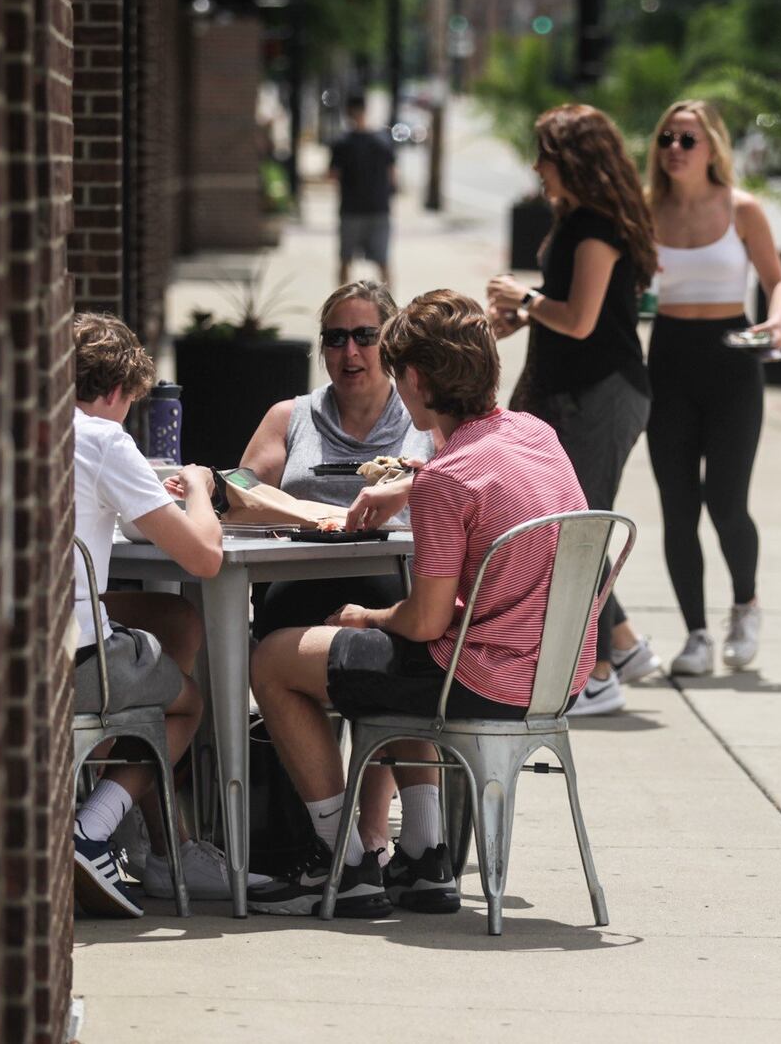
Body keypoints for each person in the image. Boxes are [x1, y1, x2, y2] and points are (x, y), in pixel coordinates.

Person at [246, 290, 595, 918]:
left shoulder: (445, 479)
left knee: (275, 658)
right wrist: (414, 479)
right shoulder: (534, 433)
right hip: (557, 677)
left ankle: (345, 864)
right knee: (394, 651)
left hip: (480, 679)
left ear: (411, 378)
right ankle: (426, 854)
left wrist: (365, 618)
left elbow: (426, 620)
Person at [484, 103, 660, 716]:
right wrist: (518, 315)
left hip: (601, 394)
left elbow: (580, 321)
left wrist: (526, 298)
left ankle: (599, 675)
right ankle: (622, 644)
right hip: (576, 392)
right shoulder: (575, 220)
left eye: (544, 156)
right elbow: (568, 311)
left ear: (573, 160)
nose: (537, 167)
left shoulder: (595, 227)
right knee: (571, 528)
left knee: (575, 535)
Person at [70, 312, 233, 916]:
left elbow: (125, 517)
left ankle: (155, 831)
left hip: (6, 642)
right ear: (114, 393)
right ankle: (94, 825)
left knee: (175, 621)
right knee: (186, 700)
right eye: (128, 405)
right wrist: (195, 488)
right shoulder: (103, 438)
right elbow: (205, 557)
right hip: (75, 660)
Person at [644, 99, 781, 675]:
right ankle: (697, 635)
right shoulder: (646, 211)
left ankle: (745, 604)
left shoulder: (742, 209)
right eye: (667, 140)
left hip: (733, 358)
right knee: (678, 508)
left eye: (687, 140)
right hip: (670, 357)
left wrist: (775, 321)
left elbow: (778, 283)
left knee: (727, 503)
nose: (675, 150)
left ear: (712, 148)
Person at [239, 280, 437, 638]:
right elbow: (241, 493)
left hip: (395, 582)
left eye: (365, 336)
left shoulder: (425, 420)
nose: (350, 352)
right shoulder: (289, 417)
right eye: (336, 338)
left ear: (390, 344)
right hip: (295, 578)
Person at [329, 96, 396, 286]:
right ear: (366, 110)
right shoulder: (382, 141)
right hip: (379, 208)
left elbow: (333, 175)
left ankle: (339, 306)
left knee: (345, 260)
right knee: (383, 262)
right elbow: (393, 176)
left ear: (347, 113)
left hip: (351, 208)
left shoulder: (341, 142)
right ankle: (391, 308)